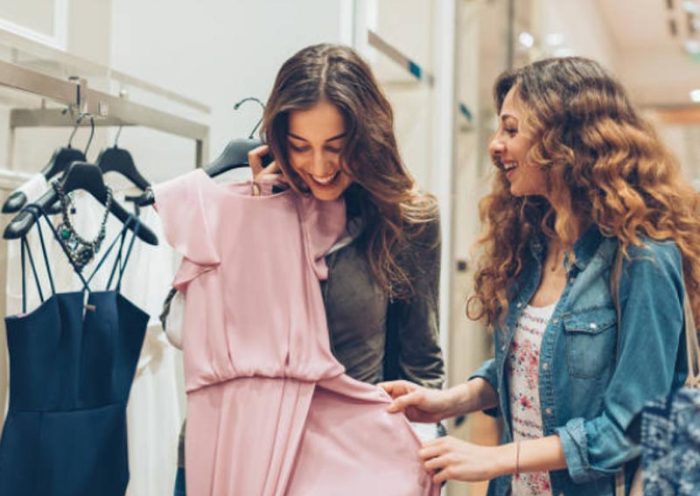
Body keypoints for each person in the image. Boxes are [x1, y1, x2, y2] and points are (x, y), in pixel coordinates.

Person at [381, 56, 700, 496]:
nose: (495, 145)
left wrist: (495, 457)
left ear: (566, 140)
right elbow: (535, 365)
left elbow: (629, 427)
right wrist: (448, 401)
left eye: (511, 130)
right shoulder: (534, 242)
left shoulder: (643, 259)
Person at [172, 43, 445, 494]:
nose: (318, 167)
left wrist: (418, 463)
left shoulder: (406, 219)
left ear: (367, 138)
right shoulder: (243, 206)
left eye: (336, 148)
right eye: (300, 147)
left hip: (349, 463)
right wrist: (257, 220)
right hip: (235, 450)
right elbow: (185, 330)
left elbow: (421, 362)